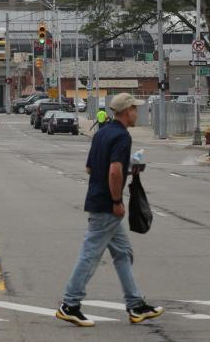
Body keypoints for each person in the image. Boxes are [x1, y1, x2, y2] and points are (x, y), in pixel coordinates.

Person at [56, 93, 163, 328]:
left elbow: (89, 168)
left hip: (97, 198)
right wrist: (117, 201)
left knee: (123, 253)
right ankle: (70, 304)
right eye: (135, 108)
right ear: (127, 112)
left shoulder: (102, 132)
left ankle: (135, 305)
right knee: (90, 254)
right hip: (106, 206)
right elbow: (114, 171)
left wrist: (128, 170)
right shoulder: (122, 137)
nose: (137, 112)